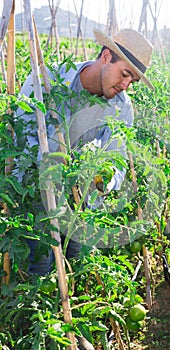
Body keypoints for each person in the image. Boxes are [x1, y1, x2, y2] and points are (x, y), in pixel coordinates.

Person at [16, 28, 154, 276]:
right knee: (42, 265)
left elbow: (117, 160)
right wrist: (58, 168)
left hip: (82, 200)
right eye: (124, 74)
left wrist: (104, 180)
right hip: (37, 190)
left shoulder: (121, 108)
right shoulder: (48, 80)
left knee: (78, 262)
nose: (125, 86)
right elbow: (23, 137)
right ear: (105, 57)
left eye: (131, 81)